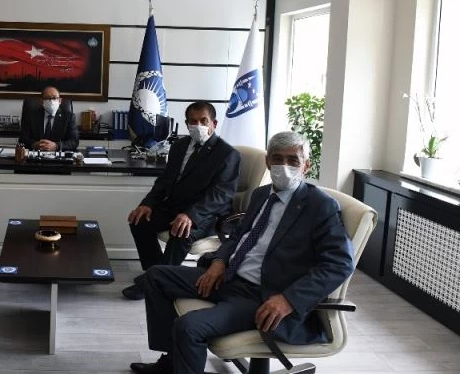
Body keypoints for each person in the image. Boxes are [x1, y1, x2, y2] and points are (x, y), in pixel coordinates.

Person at [129, 131, 354, 374]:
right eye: (277, 159)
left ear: (306, 166)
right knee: (156, 276)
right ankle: (172, 362)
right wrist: (219, 261)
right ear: (267, 162)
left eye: (293, 161)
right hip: (230, 278)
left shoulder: (320, 205)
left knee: (189, 327)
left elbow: (339, 263)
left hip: (262, 295)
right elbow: (238, 236)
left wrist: (289, 299)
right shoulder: (261, 194)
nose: (284, 167)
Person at [122, 101, 240, 301]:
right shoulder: (179, 146)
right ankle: (154, 272)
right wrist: (147, 204)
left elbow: (221, 194)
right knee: (138, 220)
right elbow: (165, 181)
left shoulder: (228, 154)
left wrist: (190, 215)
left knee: (181, 232)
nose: (198, 125)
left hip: (206, 213)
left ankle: (154, 282)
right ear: (186, 124)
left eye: (204, 121)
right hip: (175, 206)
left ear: (214, 123)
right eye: (193, 121)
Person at [19, 86, 79, 151]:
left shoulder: (69, 117)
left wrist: (56, 146)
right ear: (42, 101)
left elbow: (74, 141)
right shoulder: (31, 116)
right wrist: (34, 144)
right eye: (47, 98)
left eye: (54, 98)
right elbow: (23, 139)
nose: (51, 101)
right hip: (36, 154)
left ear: (60, 101)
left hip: (59, 154)